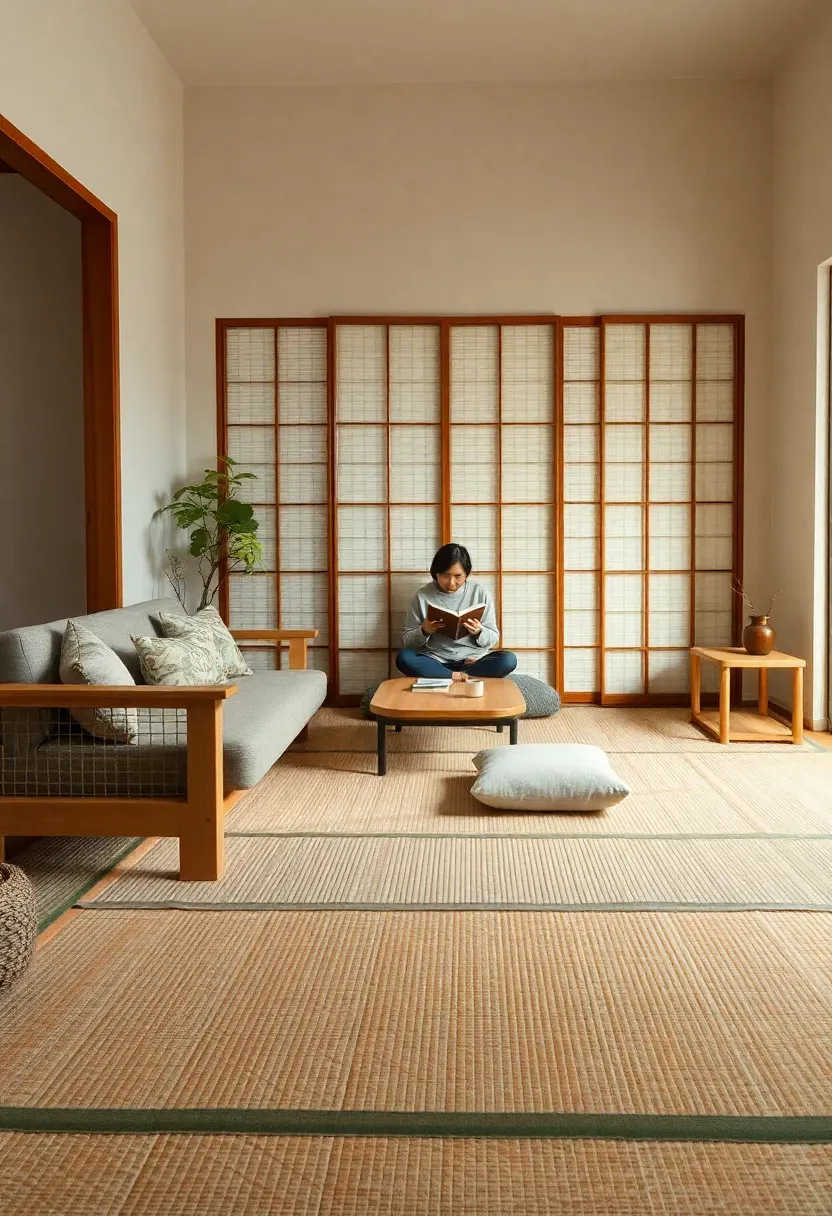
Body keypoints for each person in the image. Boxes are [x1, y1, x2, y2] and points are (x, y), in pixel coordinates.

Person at [396, 543, 518, 679]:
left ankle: (449, 676)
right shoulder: (422, 596)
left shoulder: (480, 593)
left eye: (458, 576)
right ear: (435, 572)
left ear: (467, 573)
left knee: (508, 659)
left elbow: (493, 638)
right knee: (404, 657)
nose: (451, 582)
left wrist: (479, 631)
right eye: (445, 575)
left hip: (474, 661)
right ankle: (457, 676)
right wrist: (424, 631)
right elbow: (407, 640)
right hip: (436, 661)